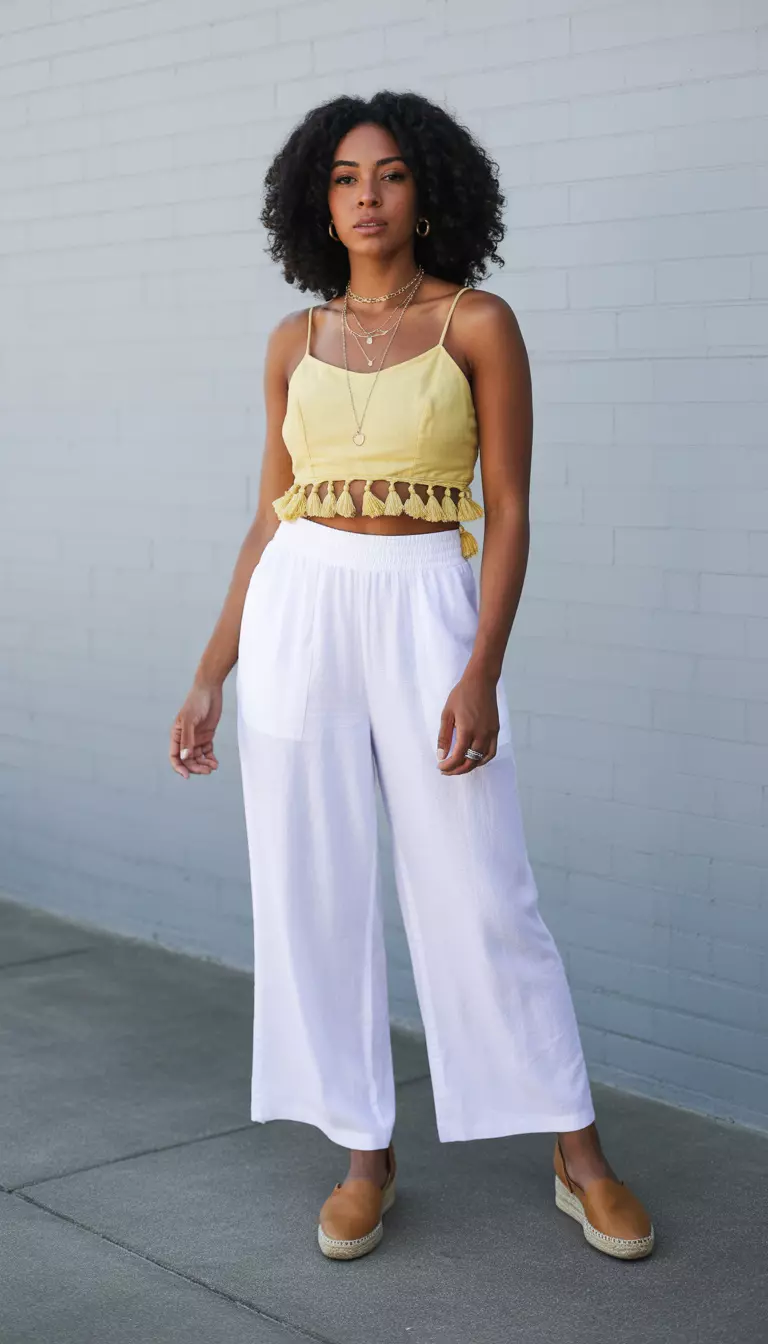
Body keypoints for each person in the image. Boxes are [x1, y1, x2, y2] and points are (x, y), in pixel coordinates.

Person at [168, 91, 654, 1263]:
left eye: (388, 174)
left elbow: (512, 510)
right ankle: (362, 1153)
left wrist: (482, 668)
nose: (367, 196)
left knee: (483, 887)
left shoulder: (476, 322)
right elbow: (268, 518)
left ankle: (576, 1153)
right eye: (344, 178)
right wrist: (210, 672)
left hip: (430, 601)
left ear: (426, 190)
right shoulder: (293, 341)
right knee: (313, 887)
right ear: (317, 202)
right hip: (301, 608)